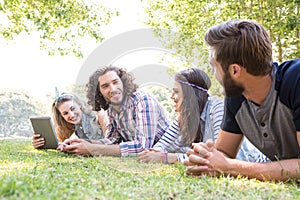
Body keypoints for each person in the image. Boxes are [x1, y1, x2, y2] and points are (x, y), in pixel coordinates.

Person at [184, 19, 300, 181]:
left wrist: (230, 167)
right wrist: (205, 159)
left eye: (213, 66)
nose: (213, 74)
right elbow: (223, 154)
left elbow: (227, 164)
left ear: (235, 70)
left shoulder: (296, 80)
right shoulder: (238, 97)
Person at [138, 68, 268, 164]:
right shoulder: (183, 119)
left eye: (176, 91)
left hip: (252, 162)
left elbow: (218, 157)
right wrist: (155, 153)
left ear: (191, 95)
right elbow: (160, 146)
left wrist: (167, 158)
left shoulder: (218, 108)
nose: (171, 96)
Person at [59, 66, 170, 157]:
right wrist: (81, 143)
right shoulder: (112, 109)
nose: (112, 89)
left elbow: (142, 146)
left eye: (115, 82)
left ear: (123, 82)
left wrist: (93, 149)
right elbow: (112, 140)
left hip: (171, 152)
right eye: (105, 86)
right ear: (99, 93)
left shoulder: (142, 101)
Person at [32, 93, 106, 149]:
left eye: (73, 108)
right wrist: (40, 143)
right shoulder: (75, 127)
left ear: (80, 105)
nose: (72, 115)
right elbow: (60, 142)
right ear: (62, 116)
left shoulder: (99, 115)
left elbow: (111, 142)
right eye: (65, 113)